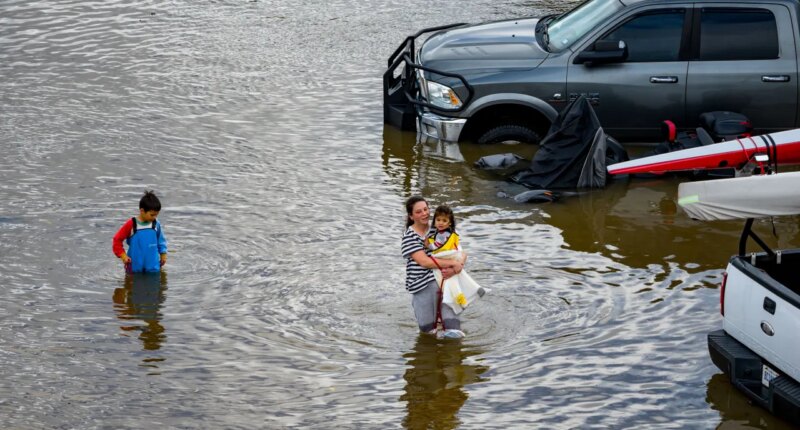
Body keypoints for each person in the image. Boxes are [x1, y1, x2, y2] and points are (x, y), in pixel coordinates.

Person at [402, 196, 465, 339]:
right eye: (418, 212)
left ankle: (453, 358)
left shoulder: (438, 228)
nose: (424, 213)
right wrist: (452, 264)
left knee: (453, 330)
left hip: (445, 281)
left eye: (425, 209)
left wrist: (458, 265)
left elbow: (461, 252)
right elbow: (424, 262)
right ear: (411, 216)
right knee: (427, 333)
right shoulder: (409, 237)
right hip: (422, 286)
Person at [427, 205, 487, 315]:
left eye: (444, 220)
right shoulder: (452, 233)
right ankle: (476, 288)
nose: (440, 223)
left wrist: (427, 244)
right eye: (438, 220)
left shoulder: (441, 234)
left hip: (446, 257)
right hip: (454, 256)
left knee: (447, 279)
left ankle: (459, 298)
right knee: (459, 274)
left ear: (449, 223)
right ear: (434, 221)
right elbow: (461, 251)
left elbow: (436, 246)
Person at [112, 190, 168, 273]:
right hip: (134, 266)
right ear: (142, 211)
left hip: (153, 266)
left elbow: (161, 241)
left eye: (156, 214)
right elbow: (117, 240)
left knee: (155, 285)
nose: (154, 217)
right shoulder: (131, 224)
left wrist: (163, 254)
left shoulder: (156, 224)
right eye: (152, 215)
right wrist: (123, 256)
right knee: (131, 285)